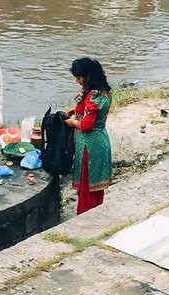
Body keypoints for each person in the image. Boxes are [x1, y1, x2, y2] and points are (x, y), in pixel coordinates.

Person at [64, 58, 112, 215]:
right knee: (95, 189)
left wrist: (73, 122)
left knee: (87, 188)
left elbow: (86, 125)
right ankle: (96, 214)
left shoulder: (92, 97)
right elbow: (92, 113)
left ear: (88, 77)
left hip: (89, 146)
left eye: (79, 78)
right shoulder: (103, 91)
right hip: (101, 141)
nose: (77, 81)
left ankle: (85, 218)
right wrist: (76, 110)